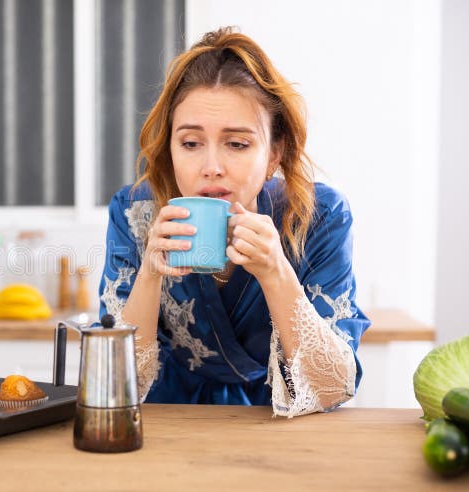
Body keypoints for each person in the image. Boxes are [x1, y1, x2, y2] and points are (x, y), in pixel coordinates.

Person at [98, 27, 370, 418]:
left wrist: (276, 271)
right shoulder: (135, 213)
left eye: (238, 144)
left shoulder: (319, 216)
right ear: (170, 148)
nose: (212, 168)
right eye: (191, 144)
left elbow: (331, 390)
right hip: (165, 422)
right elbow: (110, 387)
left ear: (274, 153)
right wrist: (149, 275)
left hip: (276, 423)